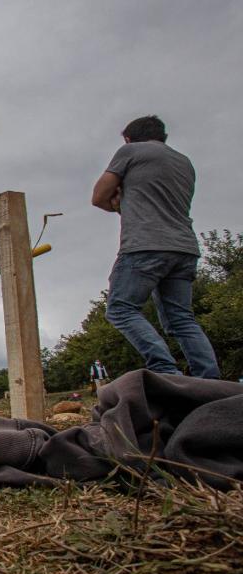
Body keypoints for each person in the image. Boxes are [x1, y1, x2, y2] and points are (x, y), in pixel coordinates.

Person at [91, 116, 219, 378]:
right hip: (184, 247)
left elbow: (99, 197)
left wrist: (118, 203)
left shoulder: (130, 151)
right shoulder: (184, 162)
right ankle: (209, 379)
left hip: (145, 244)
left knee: (121, 308)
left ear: (128, 138)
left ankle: (165, 371)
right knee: (181, 318)